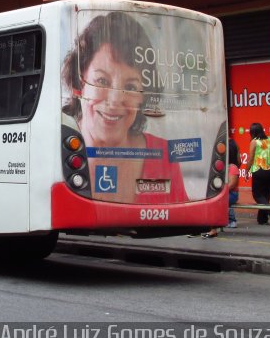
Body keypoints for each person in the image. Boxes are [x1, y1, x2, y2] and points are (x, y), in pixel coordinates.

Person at [62, 11, 186, 204]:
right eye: (102, 80)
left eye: (130, 87)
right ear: (79, 84)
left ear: (142, 97)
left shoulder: (163, 155)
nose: (115, 100)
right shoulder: (54, 148)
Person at [203, 139, 240, 238]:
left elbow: (232, 185)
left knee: (214, 203)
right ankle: (210, 228)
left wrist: (220, 192)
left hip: (231, 194)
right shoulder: (220, 166)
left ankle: (213, 229)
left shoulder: (232, 167)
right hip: (223, 193)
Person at [245, 122, 270, 225]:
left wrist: (247, 171)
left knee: (257, 194)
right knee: (266, 195)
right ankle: (262, 219)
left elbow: (251, 159)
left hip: (260, 170)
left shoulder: (254, 142)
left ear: (252, 132)